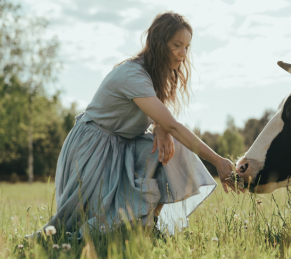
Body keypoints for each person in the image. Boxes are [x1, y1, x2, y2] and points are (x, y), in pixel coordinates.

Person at [40, 11, 241, 236]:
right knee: (89, 229)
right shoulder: (133, 75)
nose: (183, 54)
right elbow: (173, 123)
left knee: (173, 148)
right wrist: (218, 161)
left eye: (186, 47)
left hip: (123, 145)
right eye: (177, 45)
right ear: (158, 42)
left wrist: (160, 128)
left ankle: (149, 224)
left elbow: (163, 120)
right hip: (93, 147)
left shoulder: (156, 74)